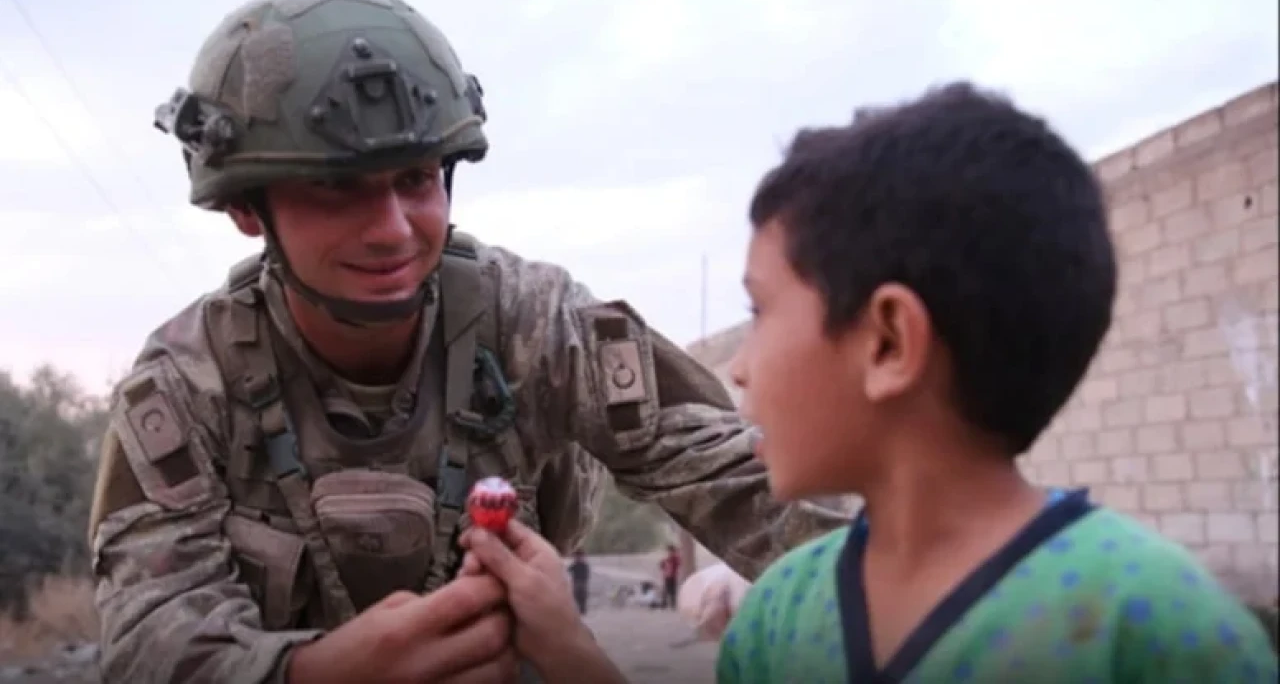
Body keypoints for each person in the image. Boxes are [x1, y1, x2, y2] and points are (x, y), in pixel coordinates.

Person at [84, 0, 845, 684]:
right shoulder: (189, 381)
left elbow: (747, 481)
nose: (392, 230)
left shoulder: (537, 323)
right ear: (247, 210)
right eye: (336, 188)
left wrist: (921, 596)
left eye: (417, 179)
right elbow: (151, 637)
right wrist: (315, 671)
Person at [457, 82, 1280, 683]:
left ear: (888, 341)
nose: (737, 367)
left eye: (762, 309)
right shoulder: (779, 618)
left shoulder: (1159, 632)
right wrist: (569, 653)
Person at [567, 550, 591, 615]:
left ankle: (582, 610)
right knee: (577, 596)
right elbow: (568, 570)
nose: (577, 558)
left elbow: (586, 574)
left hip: (581, 582)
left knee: (582, 596)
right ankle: (580, 610)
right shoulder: (575, 565)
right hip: (578, 582)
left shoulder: (583, 565)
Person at [659, 544, 681, 609]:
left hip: (673, 576)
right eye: (669, 551)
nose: (669, 553)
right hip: (667, 576)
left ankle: (672, 604)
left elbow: (678, 564)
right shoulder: (666, 559)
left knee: (672, 590)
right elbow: (661, 565)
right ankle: (664, 604)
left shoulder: (675, 558)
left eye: (671, 551)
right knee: (666, 590)